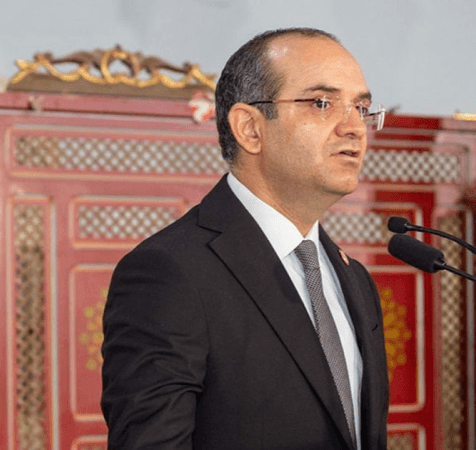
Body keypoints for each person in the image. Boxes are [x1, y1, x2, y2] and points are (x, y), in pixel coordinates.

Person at [100, 27, 389, 450]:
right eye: (322, 103)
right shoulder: (171, 274)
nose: (355, 128)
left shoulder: (355, 280)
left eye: (361, 108)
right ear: (250, 128)